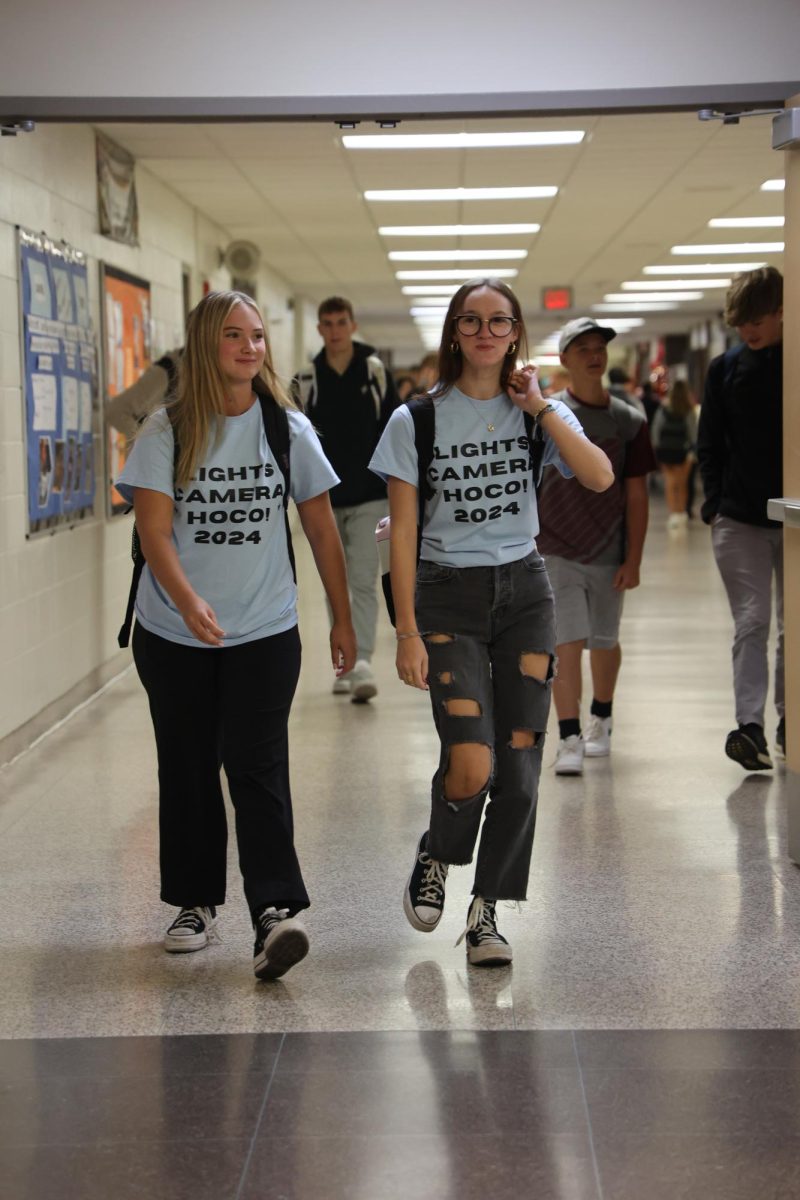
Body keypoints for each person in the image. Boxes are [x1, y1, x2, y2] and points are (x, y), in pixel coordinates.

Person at [369, 280, 613, 966]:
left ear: (514, 334)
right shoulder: (414, 421)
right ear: (453, 333)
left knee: (522, 768)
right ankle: (437, 853)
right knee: (471, 760)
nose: (484, 331)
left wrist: (540, 407)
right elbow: (406, 528)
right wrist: (407, 630)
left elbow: (597, 477)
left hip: (526, 593)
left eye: (498, 321)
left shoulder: (539, 411)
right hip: (447, 594)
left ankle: (486, 911)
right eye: (471, 321)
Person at [116, 290, 356, 980]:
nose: (250, 347)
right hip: (172, 631)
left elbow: (319, 528)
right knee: (188, 764)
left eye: (256, 336)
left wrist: (341, 616)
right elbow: (153, 529)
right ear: (204, 344)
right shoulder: (166, 430)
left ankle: (275, 910)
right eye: (233, 335)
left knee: (257, 767)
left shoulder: (286, 429)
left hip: (264, 628)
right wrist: (186, 600)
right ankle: (194, 901)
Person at [537, 317, 657, 776]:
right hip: (555, 547)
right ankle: (568, 735)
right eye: (582, 347)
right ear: (565, 359)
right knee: (563, 640)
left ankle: (601, 718)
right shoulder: (546, 416)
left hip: (608, 549)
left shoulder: (628, 421)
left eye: (599, 347)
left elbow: (636, 492)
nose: (593, 354)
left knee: (604, 640)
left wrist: (634, 557)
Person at [697, 266, 784, 771]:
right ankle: (749, 728)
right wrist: (714, 505)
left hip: (793, 519)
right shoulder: (725, 368)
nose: (748, 331)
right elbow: (710, 441)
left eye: (757, 320)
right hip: (740, 519)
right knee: (751, 622)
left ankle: (789, 718)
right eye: (740, 323)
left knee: (793, 629)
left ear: (781, 312)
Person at [293, 297, 398, 703]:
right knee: (334, 584)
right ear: (319, 329)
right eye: (328, 324)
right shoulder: (307, 379)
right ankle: (344, 662)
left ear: (352, 325)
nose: (335, 330)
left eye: (341, 323)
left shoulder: (375, 374)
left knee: (363, 581)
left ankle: (364, 660)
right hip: (323, 500)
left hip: (371, 495)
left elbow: (394, 432)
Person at [651, 379, 699, 529]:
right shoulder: (688, 410)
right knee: (682, 484)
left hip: (666, 450)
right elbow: (693, 433)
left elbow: (656, 429)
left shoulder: (664, 408)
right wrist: (693, 450)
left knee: (670, 482)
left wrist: (656, 446)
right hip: (682, 451)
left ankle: (673, 514)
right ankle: (681, 512)